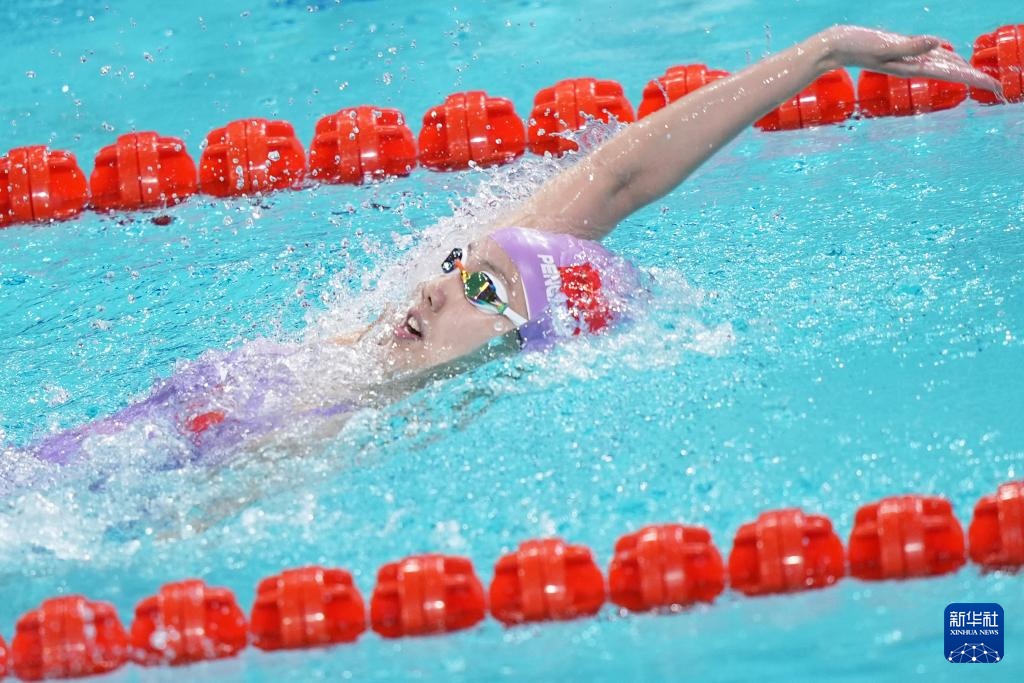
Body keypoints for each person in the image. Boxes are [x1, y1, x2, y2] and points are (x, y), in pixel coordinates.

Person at [16, 25, 1002, 473]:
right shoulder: (360, 340)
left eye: (481, 290)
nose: (437, 288)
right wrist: (823, 52)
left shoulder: (333, 437)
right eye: (457, 266)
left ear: (519, 352)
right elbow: (618, 177)